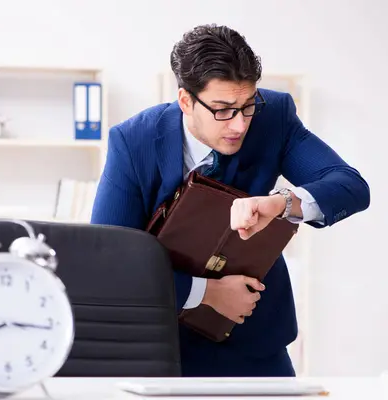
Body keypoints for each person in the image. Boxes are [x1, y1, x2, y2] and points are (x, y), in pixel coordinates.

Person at [91, 24, 370, 377]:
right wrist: (205, 292)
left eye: (247, 105)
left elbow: (350, 185)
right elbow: (108, 262)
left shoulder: (274, 116)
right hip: (164, 344)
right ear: (186, 101)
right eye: (223, 109)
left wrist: (281, 203)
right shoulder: (133, 142)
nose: (239, 125)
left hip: (257, 338)